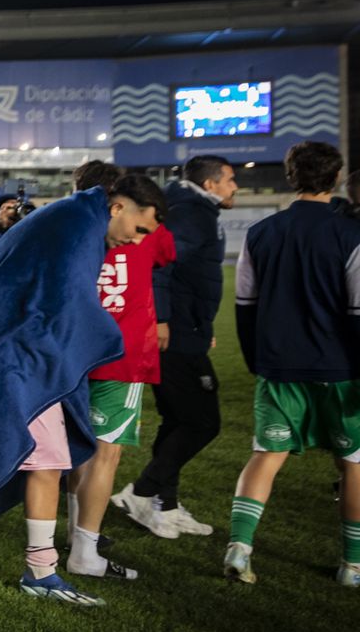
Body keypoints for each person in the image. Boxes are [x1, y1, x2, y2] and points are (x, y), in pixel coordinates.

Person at [0, 173, 165, 606]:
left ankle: (42, 570)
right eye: (140, 229)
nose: (138, 241)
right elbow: (71, 299)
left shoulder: (79, 219)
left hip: (22, 355)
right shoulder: (78, 225)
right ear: (119, 207)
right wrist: (112, 339)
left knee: (49, 461)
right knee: (2, 451)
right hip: (7, 357)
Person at [224, 141, 360, 587]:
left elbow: (246, 305)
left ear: (290, 176)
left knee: (265, 456)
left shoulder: (261, 232)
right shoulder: (351, 235)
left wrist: (256, 359)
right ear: (336, 178)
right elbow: (358, 312)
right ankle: (352, 566)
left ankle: (240, 549)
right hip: (340, 370)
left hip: (279, 367)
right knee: (354, 464)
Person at [113, 155, 237, 538]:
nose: (236, 187)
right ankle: (143, 491)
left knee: (178, 418)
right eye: (231, 180)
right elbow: (159, 265)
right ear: (211, 183)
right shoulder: (191, 212)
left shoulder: (193, 210)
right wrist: (164, 319)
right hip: (175, 331)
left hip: (186, 327)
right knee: (203, 422)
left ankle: (163, 506)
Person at [64, 161, 174, 580]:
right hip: (123, 357)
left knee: (77, 449)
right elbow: (168, 254)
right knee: (106, 455)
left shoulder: (79, 231)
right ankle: (85, 550)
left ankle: (77, 535)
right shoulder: (149, 232)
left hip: (76, 355)